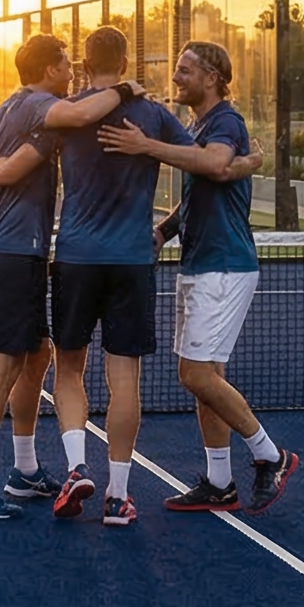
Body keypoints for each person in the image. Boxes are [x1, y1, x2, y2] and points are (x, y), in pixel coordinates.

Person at [97, 40, 296, 514]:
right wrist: (165, 230)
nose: (177, 77)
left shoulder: (226, 121)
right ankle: (219, 481)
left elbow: (212, 164)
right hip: (199, 262)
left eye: (186, 70)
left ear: (212, 77)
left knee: (196, 373)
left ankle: (272, 455)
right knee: (209, 376)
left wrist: (146, 146)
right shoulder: (198, 125)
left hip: (225, 266)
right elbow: (204, 185)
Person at [44, 26, 199, 528]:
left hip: (76, 258)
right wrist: (169, 226)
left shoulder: (69, 114)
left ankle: (75, 468)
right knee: (124, 377)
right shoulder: (152, 115)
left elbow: (27, 166)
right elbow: (199, 164)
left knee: (67, 369)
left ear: (85, 65)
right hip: (132, 261)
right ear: (127, 61)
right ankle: (117, 496)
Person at [0, 34, 102, 519]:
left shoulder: (8, 108)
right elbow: (14, 168)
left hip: (14, 251)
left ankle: (25, 469)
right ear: (49, 69)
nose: (72, 71)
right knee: (6, 364)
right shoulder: (41, 108)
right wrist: (126, 90)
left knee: (37, 355)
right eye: (66, 64)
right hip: (12, 253)